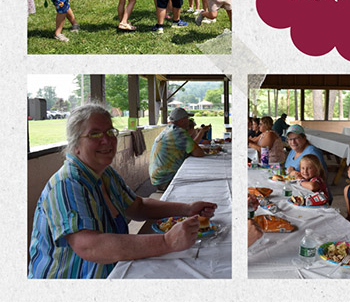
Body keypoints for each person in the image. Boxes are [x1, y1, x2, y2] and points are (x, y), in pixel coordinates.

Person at [28, 104, 216, 278]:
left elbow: (138, 206)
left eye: (110, 132)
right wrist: (167, 242)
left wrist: (187, 209)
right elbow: (90, 247)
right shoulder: (69, 183)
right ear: (75, 145)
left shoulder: (105, 173)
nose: (106, 140)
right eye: (94, 134)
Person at [149, 107, 208, 191]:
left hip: (159, 178)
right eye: (187, 118)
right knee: (201, 182)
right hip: (165, 180)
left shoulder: (169, 129)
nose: (189, 121)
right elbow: (199, 153)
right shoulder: (179, 132)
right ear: (182, 121)